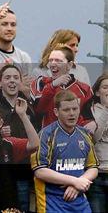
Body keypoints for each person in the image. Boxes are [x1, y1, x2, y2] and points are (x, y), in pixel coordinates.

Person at [32, 90, 99, 213]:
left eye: (75, 109)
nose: (72, 114)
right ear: (56, 112)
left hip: (79, 200)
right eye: (66, 110)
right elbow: (40, 171)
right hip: (52, 202)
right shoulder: (45, 135)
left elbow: (93, 167)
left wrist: (78, 185)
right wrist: (74, 181)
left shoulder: (84, 134)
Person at [0, 64, 36, 213]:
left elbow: (36, 135)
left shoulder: (29, 106)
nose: (12, 81)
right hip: (3, 173)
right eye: (7, 77)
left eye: (16, 78)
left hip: (26, 170)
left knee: (24, 208)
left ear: (21, 82)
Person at [34, 45, 92, 128]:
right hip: (50, 138)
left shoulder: (84, 89)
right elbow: (39, 110)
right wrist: (53, 85)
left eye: (58, 61)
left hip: (75, 138)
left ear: (69, 65)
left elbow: (88, 116)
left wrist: (91, 123)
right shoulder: (41, 82)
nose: (53, 64)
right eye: (50, 60)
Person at [0, 9, 33, 79]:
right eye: (4, 24)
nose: (9, 28)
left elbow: (27, 88)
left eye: (13, 25)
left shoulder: (24, 58)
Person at [86, 74, 108, 212]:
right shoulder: (91, 110)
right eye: (106, 87)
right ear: (98, 92)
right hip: (98, 175)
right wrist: (105, 109)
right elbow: (95, 137)